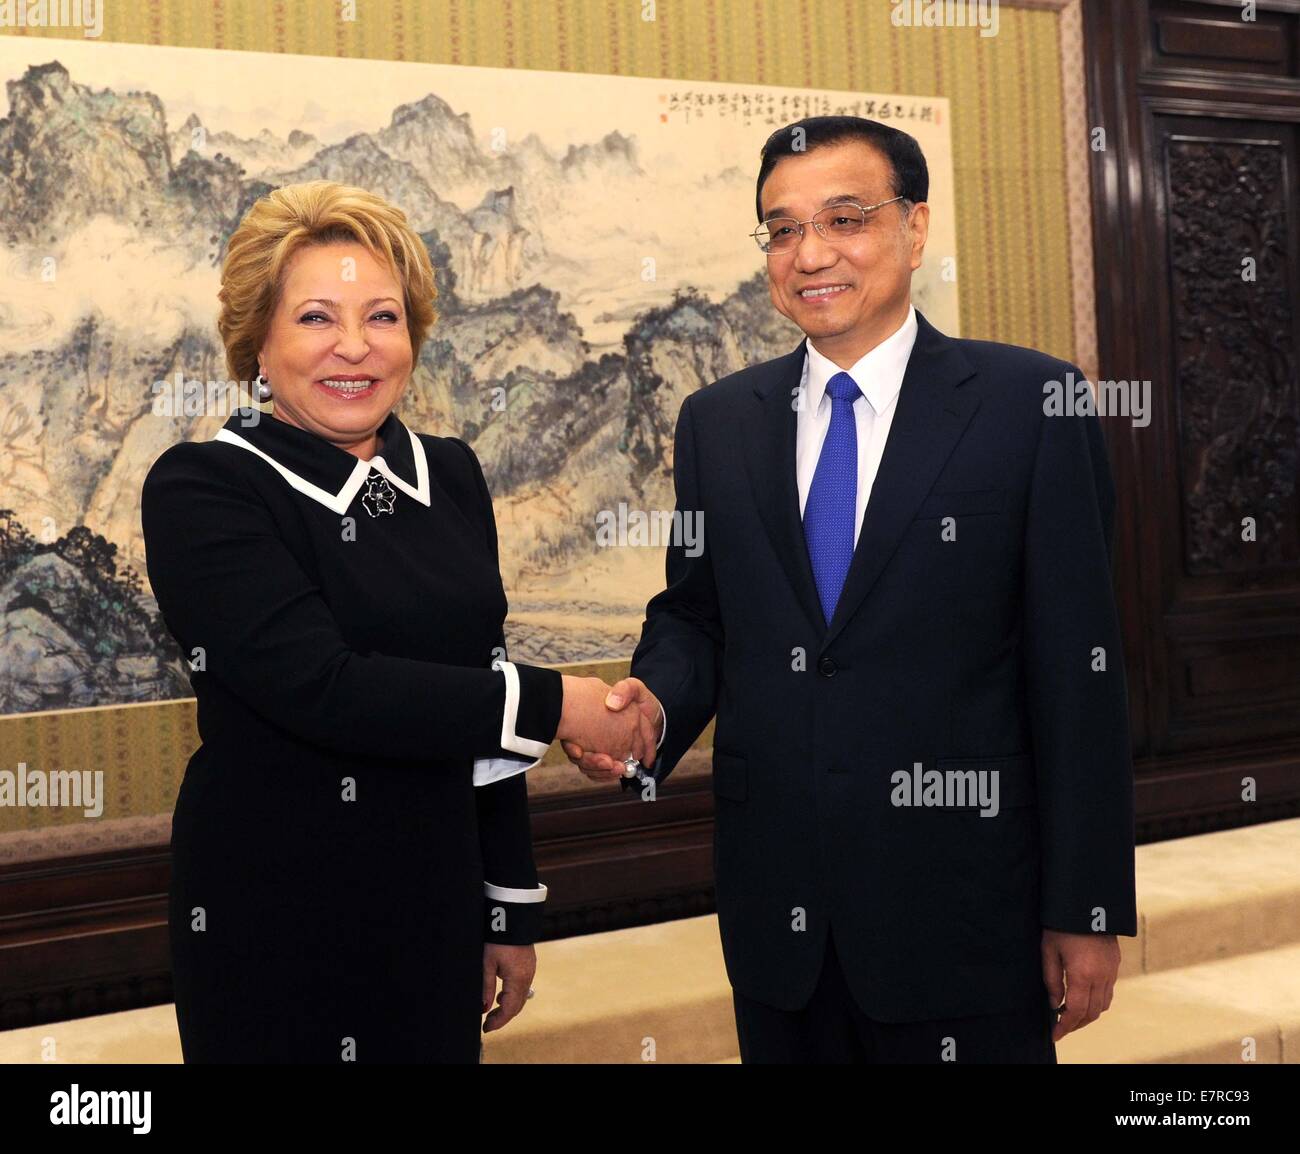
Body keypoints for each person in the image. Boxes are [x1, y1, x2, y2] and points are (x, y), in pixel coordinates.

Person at [564, 117, 1137, 1063]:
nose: (811, 253)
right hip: (780, 921)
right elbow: (698, 614)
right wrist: (653, 711)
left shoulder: (1031, 405)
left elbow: (1080, 673)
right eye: (782, 229)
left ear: (914, 229)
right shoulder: (719, 422)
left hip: (967, 918)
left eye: (845, 218)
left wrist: (1086, 904)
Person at [141, 180, 658, 1063]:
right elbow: (324, 688)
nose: (354, 347)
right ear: (257, 343)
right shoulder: (203, 488)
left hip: (434, 901)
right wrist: (558, 707)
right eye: (314, 319)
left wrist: (505, 905)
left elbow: (475, 678)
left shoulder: (449, 473)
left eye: (382, 316)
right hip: (273, 914)